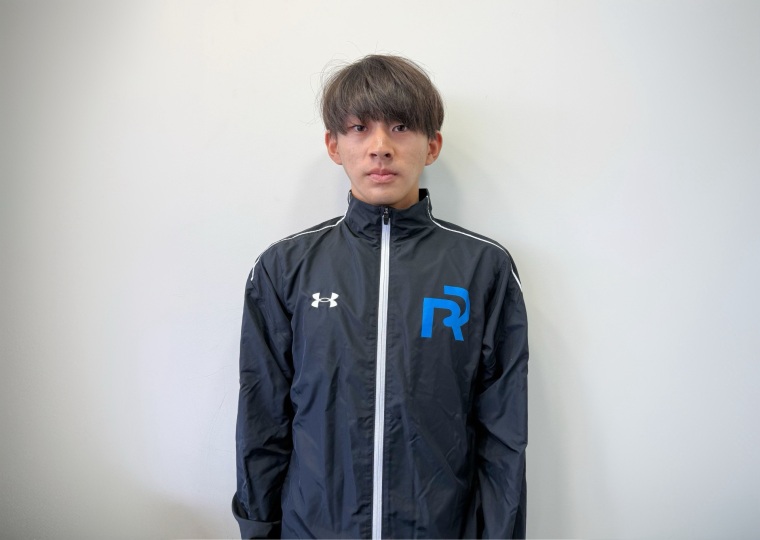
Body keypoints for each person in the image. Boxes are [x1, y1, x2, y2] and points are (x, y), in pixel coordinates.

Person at [232, 54, 528, 539]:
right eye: (359, 128)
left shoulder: (483, 268)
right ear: (334, 145)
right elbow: (261, 421)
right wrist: (258, 530)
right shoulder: (283, 268)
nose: (380, 147)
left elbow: (504, 435)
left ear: (432, 146)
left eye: (401, 127)